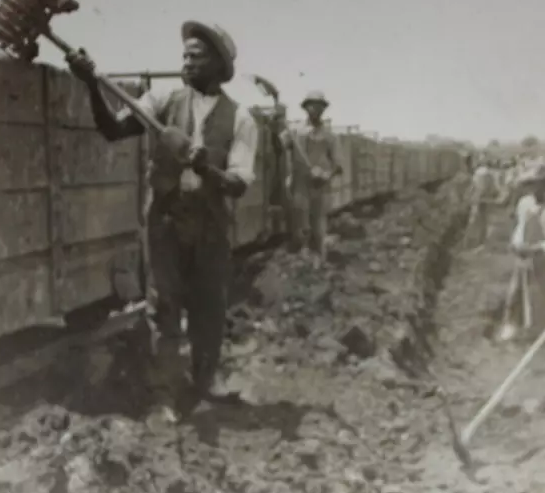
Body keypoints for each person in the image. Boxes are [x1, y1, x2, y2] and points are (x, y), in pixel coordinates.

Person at [66, 21, 259, 423]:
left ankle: (204, 385)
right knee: (163, 308)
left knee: (208, 308)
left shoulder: (241, 118)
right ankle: (163, 397)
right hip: (166, 221)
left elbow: (238, 184)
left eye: (196, 56)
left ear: (219, 65)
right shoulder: (161, 99)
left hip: (211, 224)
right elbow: (113, 129)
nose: (186, 62)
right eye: (184, 55)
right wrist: (90, 84)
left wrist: (207, 170)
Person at [497, 162, 545, 342]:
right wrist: (515, 243)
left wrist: (536, 248)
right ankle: (510, 327)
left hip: (541, 261)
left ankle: (535, 333)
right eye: (533, 184)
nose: (535, 189)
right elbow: (520, 227)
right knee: (515, 293)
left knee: (538, 297)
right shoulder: (524, 203)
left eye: (540, 185)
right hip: (523, 257)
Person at [275, 91, 342, 266]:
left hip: (320, 185)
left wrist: (325, 175)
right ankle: (301, 261)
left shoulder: (330, 136)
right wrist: (277, 121)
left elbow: (338, 165)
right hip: (299, 183)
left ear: (324, 109)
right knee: (300, 220)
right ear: (305, 108)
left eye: (319, 106)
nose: (315, 109)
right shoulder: (295, 130)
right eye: (311, 105)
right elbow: (278, 146)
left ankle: (319, 259)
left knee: (318, 222)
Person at [463, 152, 499, 249]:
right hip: (484, 199)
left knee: (474, 220)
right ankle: (480, 242)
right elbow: (493, 188)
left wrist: (469, 196)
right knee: (483, 221)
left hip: (478, 199)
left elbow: (474, 187)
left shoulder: (479, 173)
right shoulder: (488, 173)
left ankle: (469, 243)